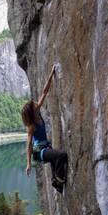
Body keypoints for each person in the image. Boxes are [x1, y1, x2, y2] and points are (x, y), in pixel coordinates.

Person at [22, 64, 68, 193]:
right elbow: (28, 146)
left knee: (55, 158)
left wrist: (51, 74)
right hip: (39, 153)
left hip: (46, 147)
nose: (37, 103)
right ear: (32, 111)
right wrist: (28, 164)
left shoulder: (37, 111)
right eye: (34, 104)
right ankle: (58, 180)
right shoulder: (31, 126)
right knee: (61, 155)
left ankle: (56, 181)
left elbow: (44, 92)